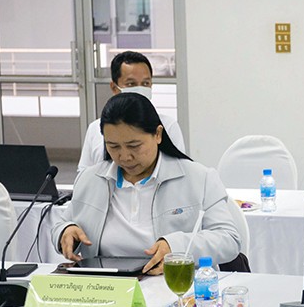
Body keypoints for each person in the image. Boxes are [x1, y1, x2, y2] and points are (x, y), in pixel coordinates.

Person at [54, 92, 240, 275]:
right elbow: (61, 224)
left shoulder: (199, 178)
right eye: (113, 146)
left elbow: (229, 239)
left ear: (158, 134)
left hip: (173, 284)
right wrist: (66, 231)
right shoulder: (90, 179)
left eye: (134, 146)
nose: (124, 156)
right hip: (106, 285)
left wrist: (176, 246)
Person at [77, 51, 186, 172]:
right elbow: (85, 172)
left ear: (158, 134)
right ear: (114, 87)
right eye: (131, 84)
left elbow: (177, 169)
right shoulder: (95, 128)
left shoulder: (168, 125)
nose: (125, 157)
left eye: (145, 83)